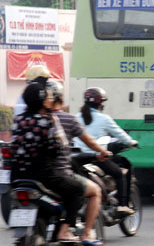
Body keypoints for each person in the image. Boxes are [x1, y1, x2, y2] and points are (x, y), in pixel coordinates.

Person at [10, 83, 103, 245]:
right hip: (45, 176)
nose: (50, 99)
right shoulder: (48, 121)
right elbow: (57, 148)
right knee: (76, 190)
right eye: (47, 97)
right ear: (42, 100)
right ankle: (65, 230)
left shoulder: (18, 120)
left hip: (18, 175)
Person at [45, 80, 112, 243]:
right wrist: (103, 152)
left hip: (30, 174)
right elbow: (89, 141)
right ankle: (83, 233)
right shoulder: (64, 119)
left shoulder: (31, 118)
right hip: (58, 174)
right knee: (94, 190)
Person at [74, 87, 137, 215]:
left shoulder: (76, 117)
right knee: (119, 174)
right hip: (96, 158)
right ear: (100, 103)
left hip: (77, 157)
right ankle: (122, 205)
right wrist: (132, 142)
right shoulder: (104, 119)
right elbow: (121, 135)